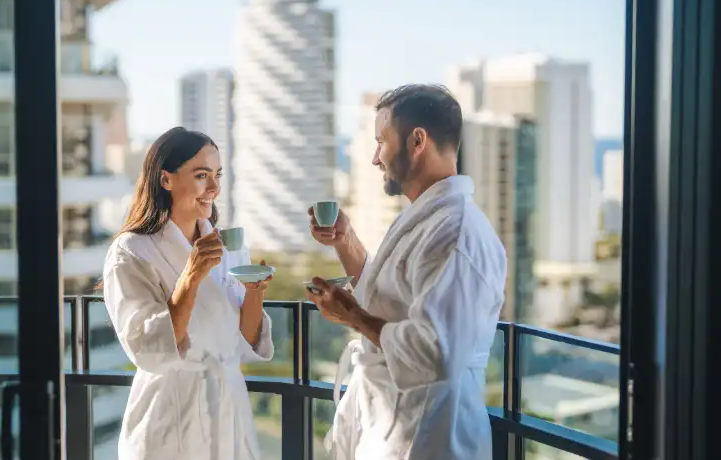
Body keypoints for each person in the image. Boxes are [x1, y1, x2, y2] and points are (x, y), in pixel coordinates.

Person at [306, 84, 506, 460]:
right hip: (389, 424)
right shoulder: (426, 219)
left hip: (426, 437)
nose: (374, 159)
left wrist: (353, 317)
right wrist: (345, 241)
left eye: (382, 141)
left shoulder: (455, 233)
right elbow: (389, 300)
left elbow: (436, 353)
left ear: (417, 141)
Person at [102, 127, 274, 460]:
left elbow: (245, 341)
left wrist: (255, 293)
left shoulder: (229, 245)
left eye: (217, 175)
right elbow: (148, 347)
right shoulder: (131, 252)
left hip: (228, 411)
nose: (214, 188)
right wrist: (190, 277)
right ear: (166, 180)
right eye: (201, 175)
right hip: (169, 413)